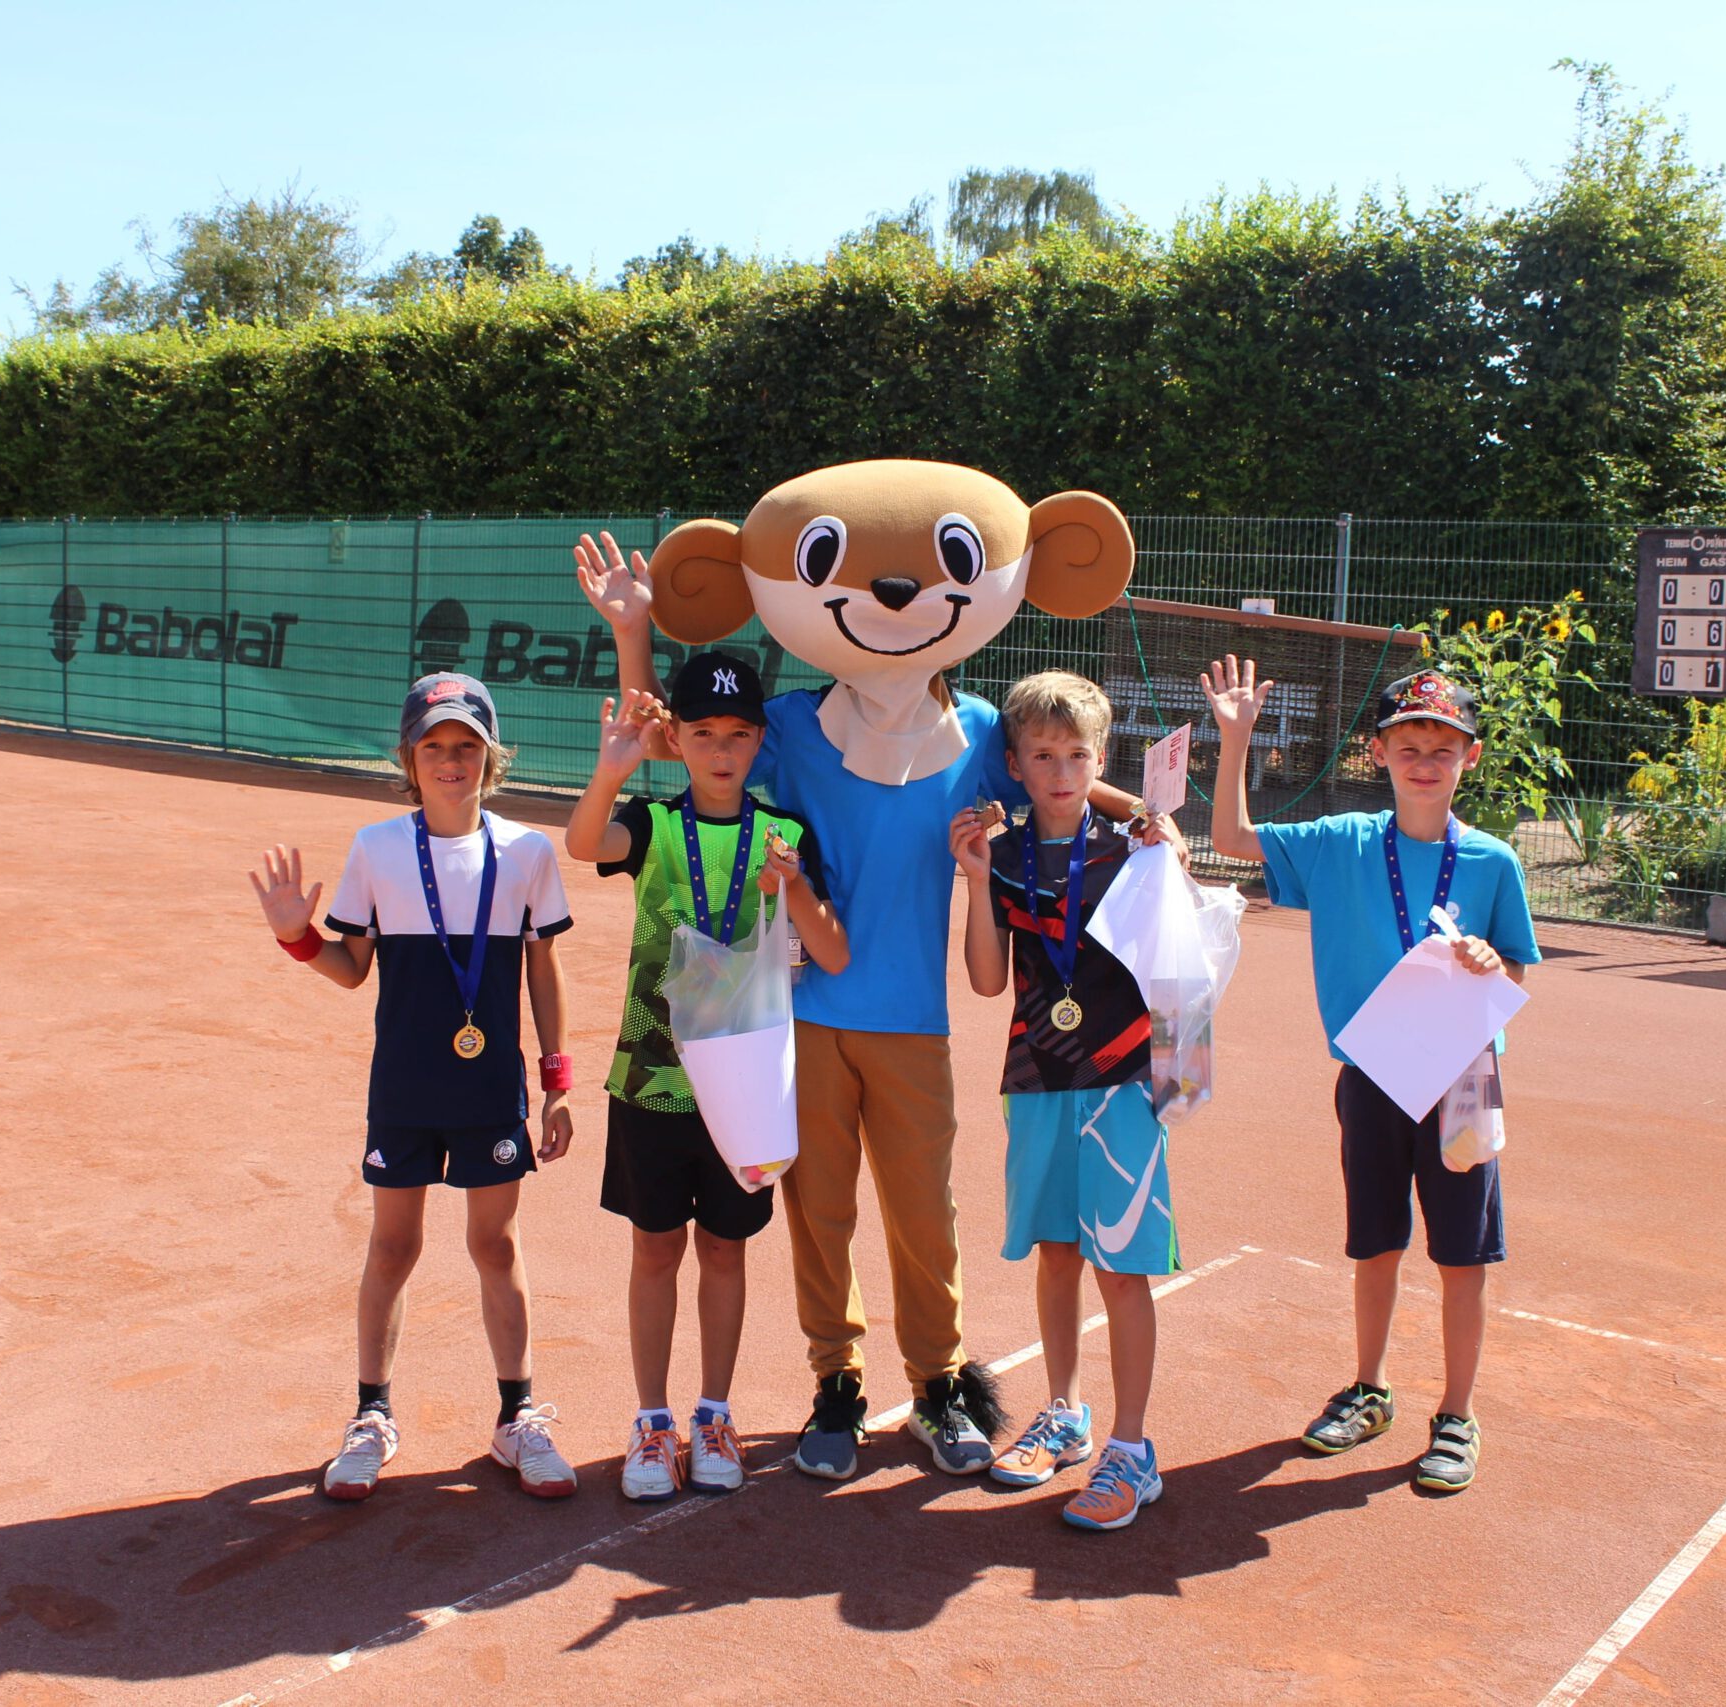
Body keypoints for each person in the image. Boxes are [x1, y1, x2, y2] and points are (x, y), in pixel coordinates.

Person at [575, 515, 1174, 1482]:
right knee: (820, 1213)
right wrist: (632, 631)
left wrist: (1136, 812)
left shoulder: (980, 731)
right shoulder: (800, 729)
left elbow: (1054, 775)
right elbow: (663, 747)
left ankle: (940, 1384)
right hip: (804, 1019)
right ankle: (836, 1382)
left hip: (913, 1022)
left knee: (923, 1214)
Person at [1202, 656, 1539, 1494]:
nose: (1426, 760)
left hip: (1462, 1080)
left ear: (1472, 757)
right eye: (1408, 744)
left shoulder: (1494, 861)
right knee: (1376, 1243)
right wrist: (1236, 738)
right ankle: (1369, 1387)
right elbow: (1232, 840)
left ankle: (1456, 1413)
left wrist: (1491, 959)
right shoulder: (1342, 843)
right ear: (1378, 754)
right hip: (1372, 1078)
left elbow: (1517, 976)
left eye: (1444, 746)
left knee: (1463, 1256)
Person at [249, 672, 580, 1503]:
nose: (450, 760)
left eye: (466, 746)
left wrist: (557, 1081)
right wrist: (297, 938)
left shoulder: (528, 853)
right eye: (433, 746)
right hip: (403, 1084)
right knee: (393, 1246)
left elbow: (545, 966)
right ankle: (371, 1416)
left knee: (494, 1245)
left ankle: (518, 1417)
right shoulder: (378, 849)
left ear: (491, 759)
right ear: (409, 758)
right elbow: (352, 968)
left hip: (490, 1088)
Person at [564, 650, 849, 1501]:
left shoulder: (787, 836)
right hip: (653, 1080)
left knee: (725, 1248)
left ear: (759, 742)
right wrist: (612, 769)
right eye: (701, 735)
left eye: (736, 735)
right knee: (655, 1247)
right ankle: (652, 1421)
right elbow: (584, 844)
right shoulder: (651, 824)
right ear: (678, 741)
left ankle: (714, 1412)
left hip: (749, 1091)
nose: (720, 750)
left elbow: (831, 949)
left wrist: (794, 893)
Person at [952, 671, 1178, 1531]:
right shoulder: (1003, 858)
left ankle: (1132, 1446)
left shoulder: (1131, 847)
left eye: (1076, 754)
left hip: (1123, 1084)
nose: (1059, 770)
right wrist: (975, 882)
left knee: (1122, 1266)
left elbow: (1176, 959)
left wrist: (1170, 846)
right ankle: (1065, 1411)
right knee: (1054, 1253)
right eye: (1041, 755)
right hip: (1038, 1077)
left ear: (1099, 760)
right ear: (1014, 762)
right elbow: (982, 980)